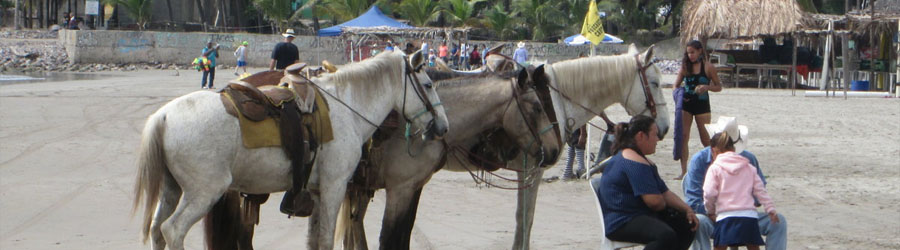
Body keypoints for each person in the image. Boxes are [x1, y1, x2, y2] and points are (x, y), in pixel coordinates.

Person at [683, 118, 787, 250]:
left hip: (726, 215)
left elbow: (708, 193)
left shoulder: (744, 160)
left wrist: (718, 211)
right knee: (699, 221)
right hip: (737, 217)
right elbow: (693, 201)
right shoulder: (700, 161)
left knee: (779, 222)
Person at [596, 115, 698, 250]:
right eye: (655, 135)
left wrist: (687, 209)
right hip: (622, 219)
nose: (657, 140)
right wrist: (664, 204)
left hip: (640, 214)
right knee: (665, 235)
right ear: (641, 136)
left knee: (687, 225)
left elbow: (664, 193)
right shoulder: (632, 161)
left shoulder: (640, 159)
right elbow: (655, 202)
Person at [672, 40, 723, 180]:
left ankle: (712, 169)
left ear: (700, 51)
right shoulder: (685, 67)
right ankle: (683, 171)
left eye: (693, 52)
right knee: (683, 137)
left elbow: (719, 87)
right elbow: (675, 85)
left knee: (706, 139)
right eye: (688, 53)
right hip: (686, 104)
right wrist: (679, 97)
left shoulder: (708, 67)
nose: (690, 55)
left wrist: (706, 87)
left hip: (702, 105)